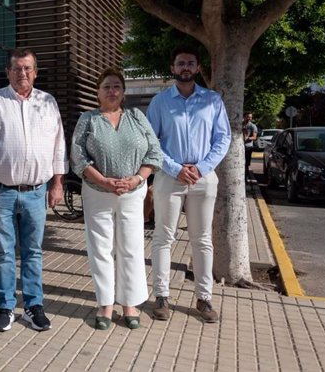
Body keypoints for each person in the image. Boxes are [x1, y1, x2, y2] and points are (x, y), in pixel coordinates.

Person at [0, 48, 68, 332]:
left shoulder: (47, 102)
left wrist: (58, 182)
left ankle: (34, 306)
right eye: (16, 68)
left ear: (35, 72)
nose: (22, 73)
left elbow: (58, 144)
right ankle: (5, 307)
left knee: (33, 252)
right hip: (2, 192)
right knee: (3, 253)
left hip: (37, 191)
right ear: (8, 72)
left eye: (27, 68)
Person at [71, 68, 162, 330]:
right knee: (100, 249)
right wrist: (102, 180)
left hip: (132, 194)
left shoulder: (136, 117)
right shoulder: (88, 119)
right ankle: (105, 304)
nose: (112, 91)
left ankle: (130, 304)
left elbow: (154, 152)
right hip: (97, 192)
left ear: (123, 92)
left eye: (116, 87)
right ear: (98, 92)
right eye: (107, 87)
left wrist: (137, 178)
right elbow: (77, 156)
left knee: (130, 248)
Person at [146, 46, 231, 323]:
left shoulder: (212, 101)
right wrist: (175, 168)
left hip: (203, 178)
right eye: (180, 63)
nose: (185, 67)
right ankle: (161, 296)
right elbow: (151, 142)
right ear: (172, 68)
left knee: (202, 239)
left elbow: (223, 139)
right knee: (163, 237)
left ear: (197, 68)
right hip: (170, 177)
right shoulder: (160, 102)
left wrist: (202, 167)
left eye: (190, 63)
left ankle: (204, 298)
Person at [243, 112, 258, 180]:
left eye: (250, 117)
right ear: (244, 117)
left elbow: (254, 137)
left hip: (248, 147)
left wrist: (248, 138)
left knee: (246, 163)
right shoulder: (240, 125)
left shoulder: (253, 126)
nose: (249, 118)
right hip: (239, 147)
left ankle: (245, 177)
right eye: (248, 117)